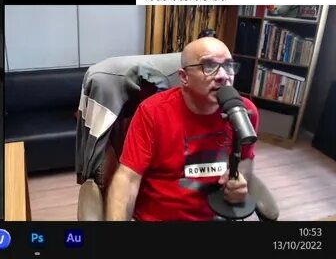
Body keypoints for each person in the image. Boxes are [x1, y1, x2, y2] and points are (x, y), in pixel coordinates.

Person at [105, 36, 259, 221]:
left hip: (217, 216)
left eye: (228, 66)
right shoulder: (152, 112)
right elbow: (127, 179)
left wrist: (240, 180)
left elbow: (246, 160)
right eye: (209, 66)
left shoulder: (245, 112)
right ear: (184, 77)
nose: (223, 76)